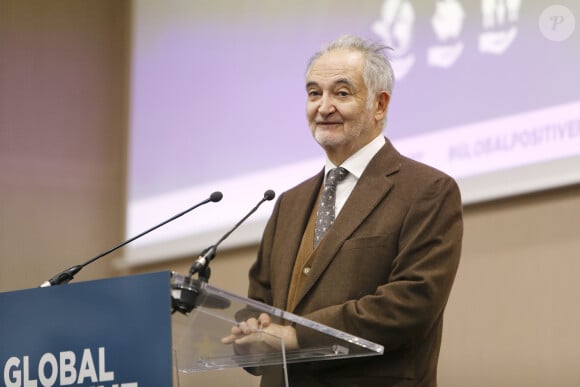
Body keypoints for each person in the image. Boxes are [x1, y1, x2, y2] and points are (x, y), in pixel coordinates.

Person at [223, 34, 463, 387]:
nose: (323, 107)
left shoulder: (426, 190)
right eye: (314, 93)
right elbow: (261, 302)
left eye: (341, 93)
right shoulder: (289, 202)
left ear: (379, 105)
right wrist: (249, 331)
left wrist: (297, 337)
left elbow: (411, 303)